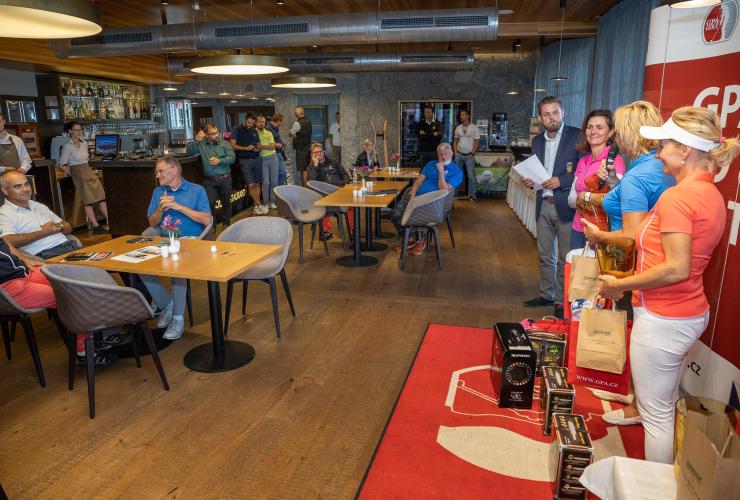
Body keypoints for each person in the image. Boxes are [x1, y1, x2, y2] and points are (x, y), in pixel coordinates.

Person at [597, 106, 739, 464]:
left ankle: (654, 485)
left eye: (664, 146)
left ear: (685, 150)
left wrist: (620, 284)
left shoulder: (679, 198)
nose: (658, 153)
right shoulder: (708, 193)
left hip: (664, 316)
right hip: (686, 312)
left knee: (656, 417)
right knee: (663, 405)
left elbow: (676, 268)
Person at [579, 101, 676, 426]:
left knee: (633, 328)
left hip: (631, 262)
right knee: (633, 327)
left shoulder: (638, 176)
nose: (616, 138)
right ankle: (632, 392)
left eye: (619, 131)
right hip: (650, 261)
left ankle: (637, 405)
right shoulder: (656, 168)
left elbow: (632, 234)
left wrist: (598, 235)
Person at [0, 237, 117, 366]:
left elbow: (4, 242)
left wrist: (24, 258)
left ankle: (101, 333)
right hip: (8, 286)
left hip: (24, 272)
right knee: (72, 296)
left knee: (76, 280)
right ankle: (83, 351)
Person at [140, 156, 212, 340]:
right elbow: (152, 223)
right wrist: (160, 209)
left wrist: (179, 207)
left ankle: (178, 318)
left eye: (160, 171)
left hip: (191, 241)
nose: (157, 175)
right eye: (156, 172)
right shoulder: (158, 191)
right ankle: (166, 304)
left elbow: (207, 220)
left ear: (174, 170)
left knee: (176, 267)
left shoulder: (197, 190)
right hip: (166, 240)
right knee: (140, 264)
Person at [522, 96, 580, 319]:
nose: (551, 117)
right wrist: (530, 180)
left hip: (566, 205)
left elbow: (583, 171)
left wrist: (561, 181)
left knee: (565, 257)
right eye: (546, 114)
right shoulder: (537, 141)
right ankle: (546, 294)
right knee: (545, 255)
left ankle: (560, 300)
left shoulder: (576, 136)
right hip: (542, 203)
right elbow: (537, 171)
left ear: (562, 112)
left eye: (555, 112)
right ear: (540, 118)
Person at [566, 110, 625, 249]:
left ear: (611, 132)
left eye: (599, 127)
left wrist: (583, 197)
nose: (593, 131)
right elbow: (571, 201)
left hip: (600, 231)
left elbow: (615, 200)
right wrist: (588, 197)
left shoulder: (614, 161)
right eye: (589, 127)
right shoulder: (583, 161)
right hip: (578, 227)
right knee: (574, 262)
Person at [390, 142, 462, 256]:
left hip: (434, 203)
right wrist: (412, 199)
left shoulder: (456, 171)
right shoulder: (430, 164)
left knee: (413, 215)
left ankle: (420, 241)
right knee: (395, 213)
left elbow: (443, 189)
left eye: (446, 153)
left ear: (452, 153)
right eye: (441, 154)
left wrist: (441, 171)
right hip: (416, 199)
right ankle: (409, 239)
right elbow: (417, 183)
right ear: (437, 154)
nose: (443, 156)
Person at [0, 170, 76, 259]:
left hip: (70, 246)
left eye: (26, 184)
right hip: (46, 255)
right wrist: (45, 232)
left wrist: (59, 227)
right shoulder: (4, 213)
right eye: (18, 186)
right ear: (5, 190)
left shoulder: (38, 205)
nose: (25, 189)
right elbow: (6, 241)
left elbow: (68, 227)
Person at [58, 121, 110, 235]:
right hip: (78, 173)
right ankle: (96, 227)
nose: (79, 132)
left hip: (88, 171)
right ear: (70, 131)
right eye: (76, 130)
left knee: (102, 198)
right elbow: (62, 164)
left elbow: (86, 160)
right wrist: (73, 174)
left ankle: (111, 222)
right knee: (88, 202)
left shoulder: (84, 143)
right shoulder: (67, 146)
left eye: (80, 130)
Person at [187, 124, 235, 226]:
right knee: (209, 204)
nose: (215, 135)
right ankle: (211, 228)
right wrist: (197, 140)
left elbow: (232, 158)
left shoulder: (224, 143)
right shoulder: (201, 144)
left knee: (226, 202)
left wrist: (220, 161)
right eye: (212, 134)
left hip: (225, 178)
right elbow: (189, 152)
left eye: (216, 132)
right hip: (209, 181)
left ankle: (226, 225)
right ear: (206, 134)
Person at [308, 142, 353, 240]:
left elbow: (344, 173)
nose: (318, 154)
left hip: (339, 190)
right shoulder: (311, 168)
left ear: (324, 152)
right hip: (324, 193)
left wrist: (346, 183)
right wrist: (315, 165)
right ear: (312, 154)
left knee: (351, 203)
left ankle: (352, 229)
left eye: (320, 151)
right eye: (315, 152)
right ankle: (327, 231)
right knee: (321, 203)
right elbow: (312, 182)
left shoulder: (333, 162)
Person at [230, 113, 266, 216]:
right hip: (245, 160)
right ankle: (259, 204)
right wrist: (246, 148)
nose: (250, 125)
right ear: (245, 119)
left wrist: (258, 148)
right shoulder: (237, 130)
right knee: (251, 184)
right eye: (249, 122)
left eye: (252, 123)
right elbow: (232, 146)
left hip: (257, 159)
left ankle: (256, 207)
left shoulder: (254, 130)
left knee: (258, 183)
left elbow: (258, 144)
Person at [453, 109, 481, 202]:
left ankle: (472, 196)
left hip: (469, 156)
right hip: (459, 155)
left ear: (468, 116)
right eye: (461, 115)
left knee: (471, 176)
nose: (461, 116)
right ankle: (454, 195)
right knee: (457, 175)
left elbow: (477, 141)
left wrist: (472, 152)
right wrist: (455, 153)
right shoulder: (458, 128)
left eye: (463, 114)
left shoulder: (474, 128)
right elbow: (455, 141)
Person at [255, 115, 281, 211]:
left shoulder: (269, 133)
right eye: (260, 122)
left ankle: (272, 202)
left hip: (273, 158)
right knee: (265, 182)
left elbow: (272, 147)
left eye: (263, 122)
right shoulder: (254, 133)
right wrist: (266, 146)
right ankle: (266, 203)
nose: (262, 123)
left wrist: (261, 146)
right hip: (262, 160)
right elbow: (257, 146)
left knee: (274, 182)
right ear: (256, 123)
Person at [289, 106, 312, 186]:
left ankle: (305, 188)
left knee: (303, 171)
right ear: (303, 112)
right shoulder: (308, 121)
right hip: (308, 148)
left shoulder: (297, 123)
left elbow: (290, 134)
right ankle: (308, 187)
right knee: (307, 169)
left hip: (301, 149)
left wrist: (295, 135)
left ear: (296, 114)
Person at [266, 114, 288, 186]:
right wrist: (276, 144)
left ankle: (279, 190)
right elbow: (265, 142)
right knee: (276, 175)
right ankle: (276, 190)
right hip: (273, 154)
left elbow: (276, 139)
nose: (282, 123)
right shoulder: (268, 128)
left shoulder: (276, 128)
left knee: (283, 173)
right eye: (281, 121)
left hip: (279, 153)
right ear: (278, 120)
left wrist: (282, 144)